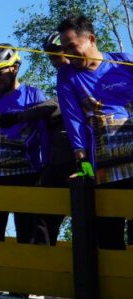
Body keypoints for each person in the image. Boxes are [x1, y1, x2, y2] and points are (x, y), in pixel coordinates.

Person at [56, 15, 133, 249]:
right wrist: (83, 165)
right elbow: (73, 121)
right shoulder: (67, 75)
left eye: (72, 46)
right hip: (103, 168)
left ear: (90, 39)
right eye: (64, 48)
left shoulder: (124, 63)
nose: (67, 54)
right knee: (108, 238)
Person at [0, 31, 74, 244]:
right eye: (50, 58)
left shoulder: (82, 74)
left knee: (91, 216)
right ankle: (41, 267)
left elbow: (59, 105)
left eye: (56, 56)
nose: (54, 62)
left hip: (85, 159)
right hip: (56, 161)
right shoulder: (63, 76)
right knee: (44, 220)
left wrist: (20, 116)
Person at [0, 44, 48, 244]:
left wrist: (46, 167)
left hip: (28, 173)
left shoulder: (34, 95)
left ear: (14, 68)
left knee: (29, 232)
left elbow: (44, 134)